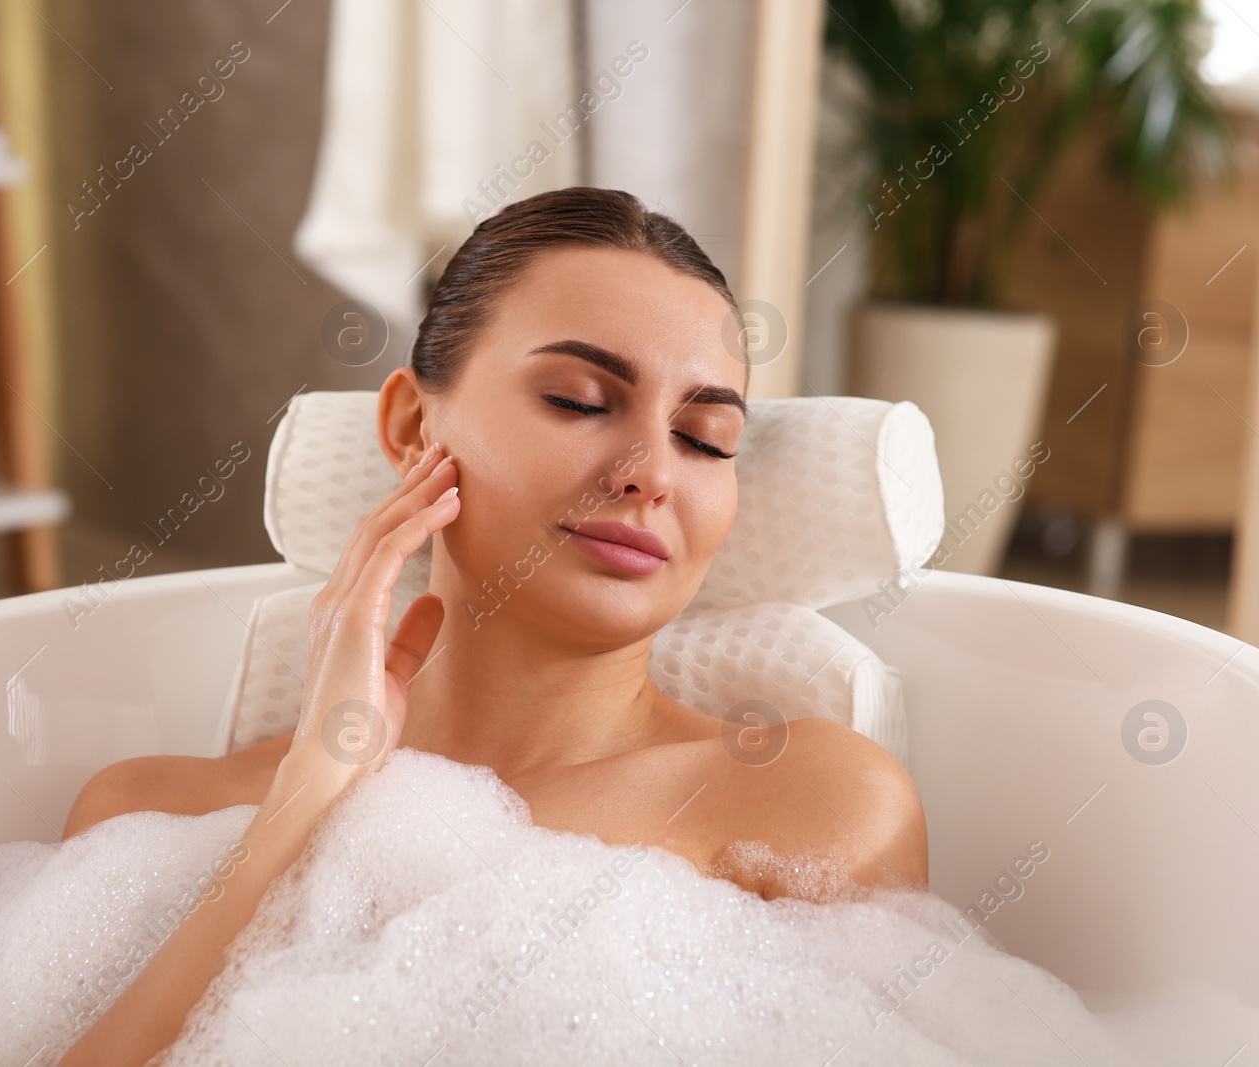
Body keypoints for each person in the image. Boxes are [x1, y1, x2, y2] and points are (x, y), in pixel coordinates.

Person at [56, 187, 928, 1065]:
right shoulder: (149, 816)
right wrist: (307, 794)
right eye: (582, 399)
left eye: (704, 438)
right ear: (412, 424)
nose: (650, 473)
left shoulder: (808, 805)